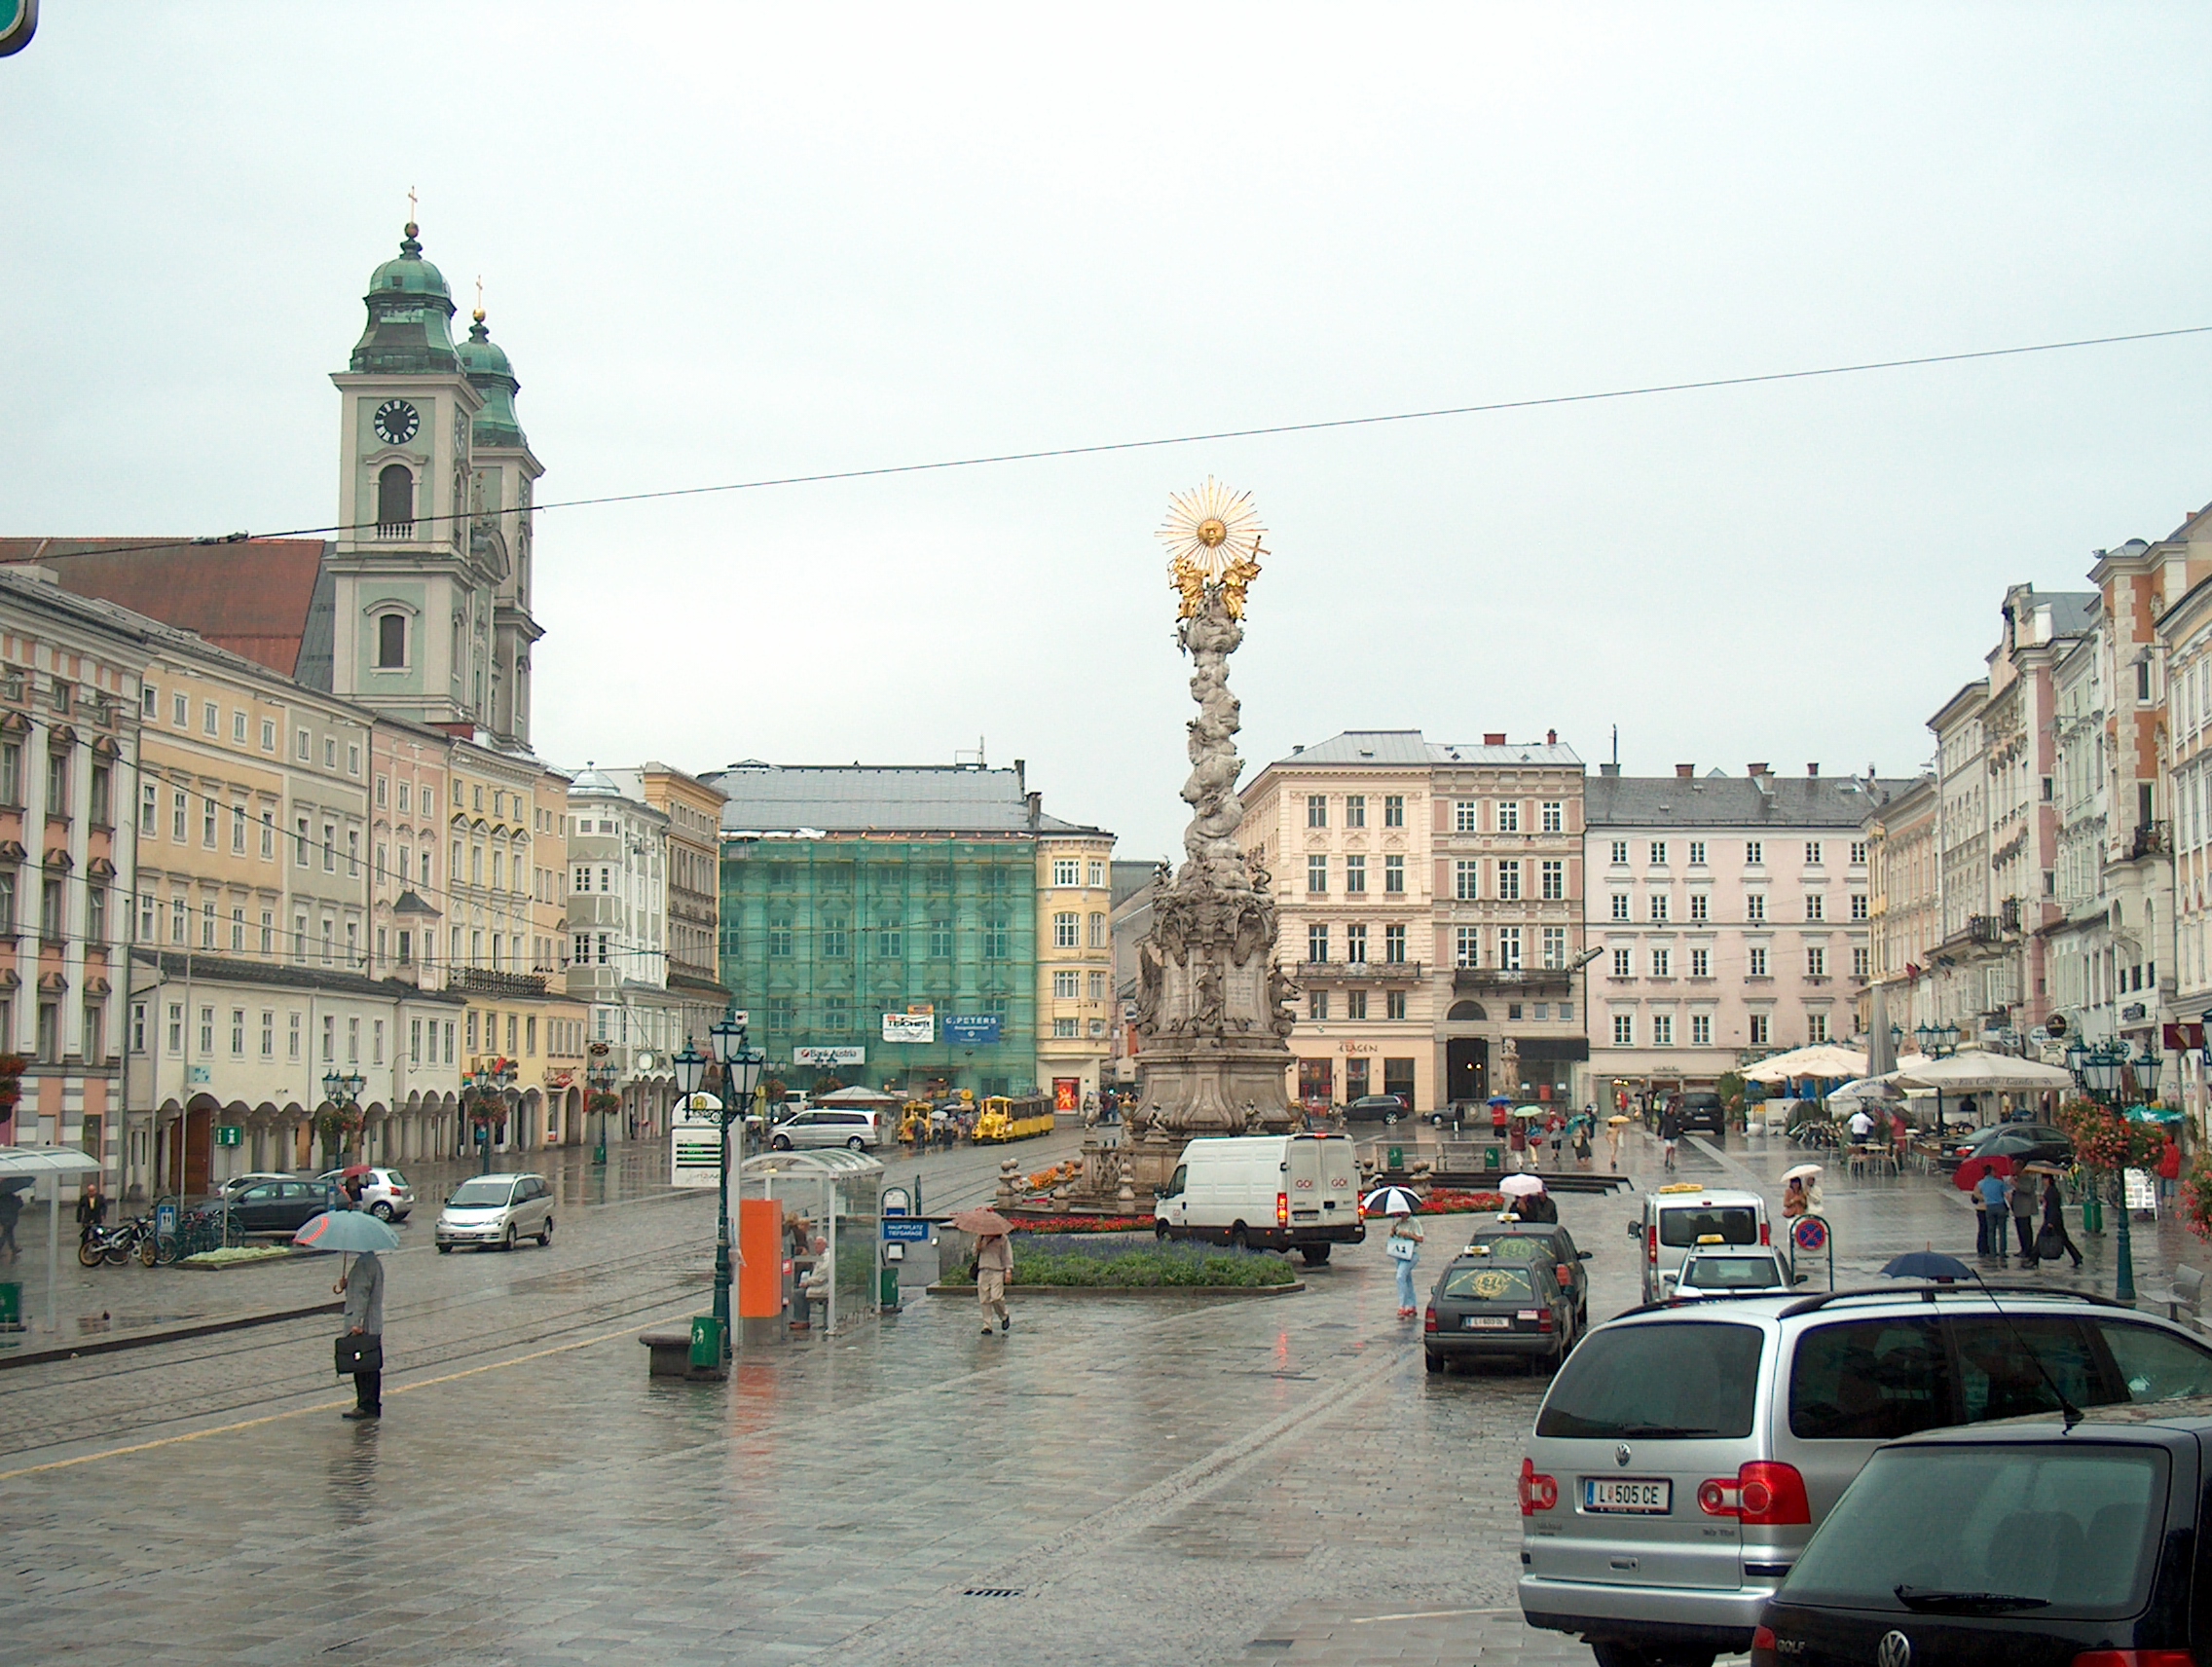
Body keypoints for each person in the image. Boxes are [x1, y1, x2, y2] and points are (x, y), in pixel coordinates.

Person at [337, 1248, 384, 1420]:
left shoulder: (364, 1264)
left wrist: (356, 1324)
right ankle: (370, 1404)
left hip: (363, 1325)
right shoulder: (373, 1262)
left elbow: (361, 1296)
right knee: (370, 1364)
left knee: (363, 1365)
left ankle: (366, 1405)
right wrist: (347, 1285)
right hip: (372, 1322)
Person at [2041, 1173, 2084, 1270]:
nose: (2043, 1182)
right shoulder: (2050, 1190)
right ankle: (2077, 1257)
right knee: (2064, 1240)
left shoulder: (2051, 1191)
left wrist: (2050, 1222)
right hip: (2054, 1219)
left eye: (2044, 1179)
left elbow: (2053, 1207)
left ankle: (2033, 1258)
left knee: (2042, 1237)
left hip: (2053, 1220)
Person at [1387, 1209, 1424, 1319]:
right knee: (1407, 1279)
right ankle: (1412, 1305)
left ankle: (1402, 1305)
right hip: (1400, 1254)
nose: (1403, 1214)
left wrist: (1408, 1234)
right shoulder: (1398, 1223)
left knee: (1400, 1276)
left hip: (1412, 1254)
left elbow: (1420, 1238)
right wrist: (1392, 1233)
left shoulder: (1414, 1222)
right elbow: (1393, 1238)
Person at [976, 1227, 1013, 1336]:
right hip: (983, 1269)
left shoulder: (1002, 1238)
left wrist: (1008, 1270)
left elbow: (1007, 1255)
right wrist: (978, 1246)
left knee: (996, 1297)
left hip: (997, 1271)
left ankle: (1004, 1315)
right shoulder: (980, 1236)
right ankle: (987, 1325)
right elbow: (974, 1252)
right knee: (984, 1299)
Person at [1975, 1167, 2011, 1265]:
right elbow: (2007, 1194)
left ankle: (1992, 1252)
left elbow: (1976, 1194)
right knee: (2002, 1231)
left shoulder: (1981, 1183)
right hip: (2000, 1207)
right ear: (1991, 1172)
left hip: (1989, 1208)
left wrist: (1985, 1198)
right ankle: (2002, 1251)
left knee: (1991, 1231)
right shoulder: (1999, 1183)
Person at [2009, 1164, 2040, 1265]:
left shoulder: (2026, 1178)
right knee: (2020, 1230)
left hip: (2024, 1209)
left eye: (2015, 1167)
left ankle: (2028, 1249)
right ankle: (2023, 1248)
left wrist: (2016, 1184)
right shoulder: (2016, 1178)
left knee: (2025, 1230)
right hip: (2017, 1209)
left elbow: (2027, 1189)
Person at [75, 1181, 107, 1246]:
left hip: (96, 1218)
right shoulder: (84, 1198)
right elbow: (80, 1208)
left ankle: (96, 1247)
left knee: (97, 1234)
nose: (91, 1192)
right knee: (85, 1234)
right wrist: (79, 1218)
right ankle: (84, 1247)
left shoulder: (100, 1197)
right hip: (87, 1218)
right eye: (90, 1191)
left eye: (93, 1191)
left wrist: (103, 1214)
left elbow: (104, 1206)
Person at [2159, 1135, 2183, 1209]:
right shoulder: (2176, 1149)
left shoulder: (2164, 1149)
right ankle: (2169, 1202)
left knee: (2162, 1185)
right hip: (2172, 1169)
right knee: (2170, 1185)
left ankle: (2162, 1201)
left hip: (2163, 1169)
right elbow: (2177, 1159)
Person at [1658, 1105, 1682, 1171]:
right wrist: (1659, 1134)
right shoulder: (1664, 1117)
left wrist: (1680, 1127)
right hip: (1667, 1135)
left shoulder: (1675, 1116)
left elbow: (1678, 1124)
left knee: (1673, 1149)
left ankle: (1672, 1162)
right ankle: (1666, 1158)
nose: (1670, 1110)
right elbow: (1660, 1125)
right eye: (1669, 1109)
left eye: (1672, 1109)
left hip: (1674, 1135)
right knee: (1668, 1147)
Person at [0, 1183, 19, 1259]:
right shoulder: (11, 1197)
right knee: (6, 1233)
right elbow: (18, 1205)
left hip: (3, 1218)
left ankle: (13, 1247)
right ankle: (11, 1247)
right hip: (10, 1218)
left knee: (8, 1233)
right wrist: (18, 1199)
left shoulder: (1, 1196)